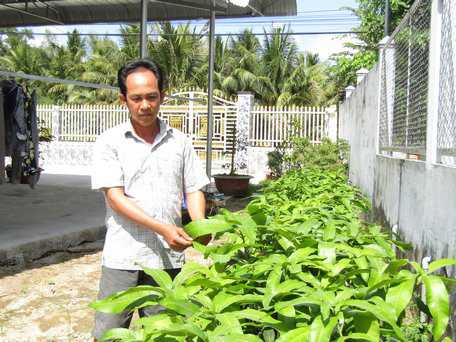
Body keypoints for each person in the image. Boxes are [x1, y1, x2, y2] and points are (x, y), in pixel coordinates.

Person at [91, 59, 210, 340]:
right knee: (109, 332)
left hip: (167, 258)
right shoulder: (110, 142)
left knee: (165, 332)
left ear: (162, 96)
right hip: (124, 256)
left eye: (152, 97)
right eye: (136, 98)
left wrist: (201, 225)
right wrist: (164, 228)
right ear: (124, 100)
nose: (145, 105)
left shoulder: (180, 141)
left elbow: (193, 187)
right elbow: (116, 198)